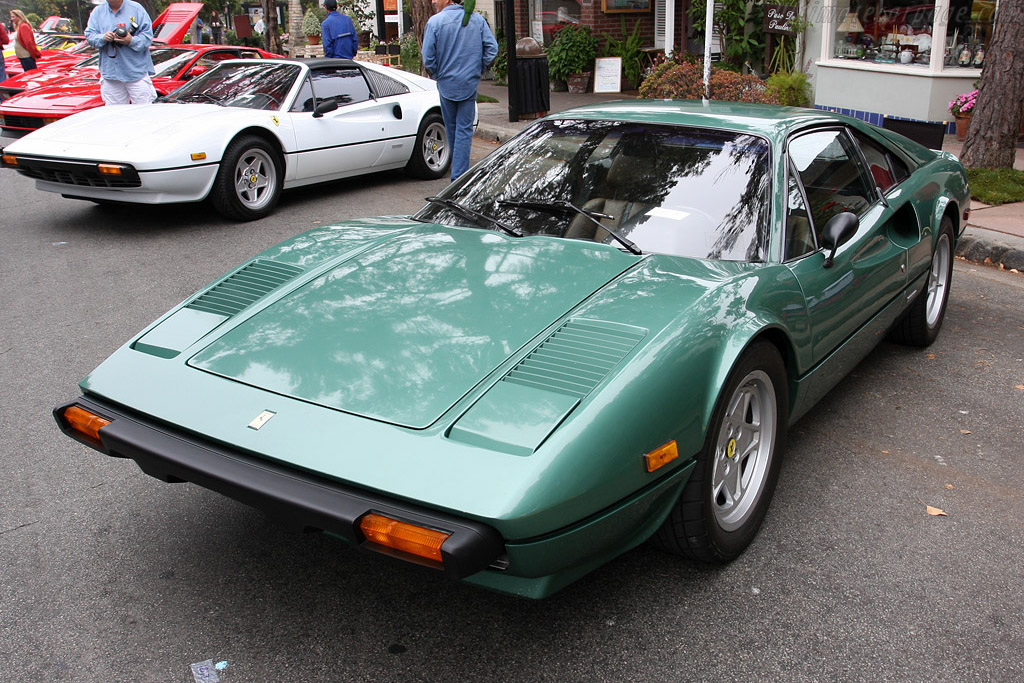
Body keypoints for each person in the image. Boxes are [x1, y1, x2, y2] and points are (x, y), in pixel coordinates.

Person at [422, 0, 498, 181]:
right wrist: (479, 69)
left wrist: (437, 74)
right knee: (464, 131)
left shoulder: (435, 22)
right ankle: (459, 177)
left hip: (447, 84)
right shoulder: (477, 20)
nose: (432, 1)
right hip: (468, 83)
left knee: (452, 129)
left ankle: (458, 177)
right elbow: (492, 49)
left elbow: (428, 57)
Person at [85, 0, 156, 106]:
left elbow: (148, 37)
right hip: (110, 74)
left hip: (136, 72)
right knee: (114, 115)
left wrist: (131, 40)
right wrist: (103, 37)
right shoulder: (98, 12)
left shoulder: (136, 9)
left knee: (144, 113)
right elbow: (90, 36)